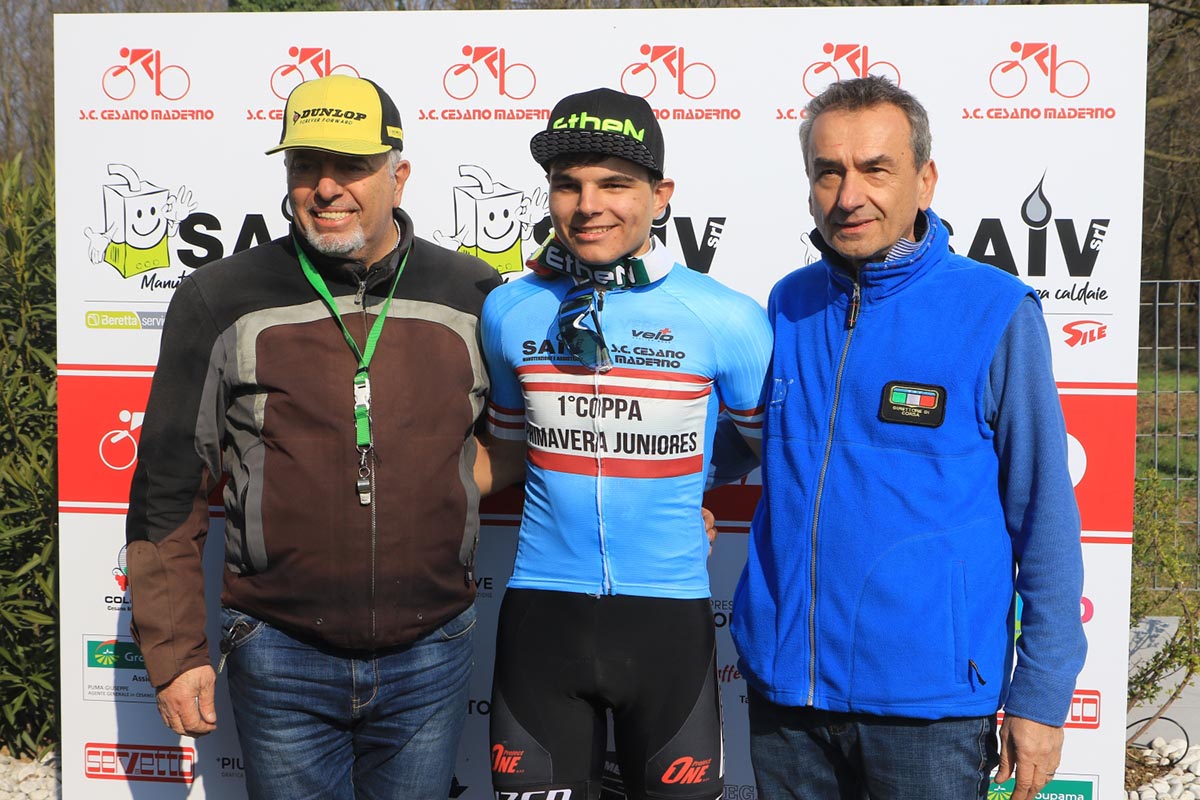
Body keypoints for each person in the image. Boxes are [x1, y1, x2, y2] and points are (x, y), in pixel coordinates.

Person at [124, 74, 504, 800]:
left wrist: (677, 500)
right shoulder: (220, 297)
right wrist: (173, 654)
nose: (325, 187)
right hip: (278, 649)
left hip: (433, 649)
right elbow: (167, 484)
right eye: (305, 165)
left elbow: (529, 443)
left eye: (352, 165)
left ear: (400, 173)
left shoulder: (475, 294)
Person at [730, 75, 1087, 800]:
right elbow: (746, 440)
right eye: (828, 171)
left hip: (929, 713)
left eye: (875, 169)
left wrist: (1042, 694)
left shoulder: (993, 311)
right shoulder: (789, 304)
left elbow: (1045, 513)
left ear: (924, 180)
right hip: (786, 698)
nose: (848, 193)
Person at [479, 87, 772, 800]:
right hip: (542, 618)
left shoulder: (726, 319)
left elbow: (765, 449)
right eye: (568, 185)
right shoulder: (510, 310)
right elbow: (509, 453)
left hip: (666, 620)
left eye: (615, 183)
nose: (589, 205)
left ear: (660, 193)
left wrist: (688, 485)